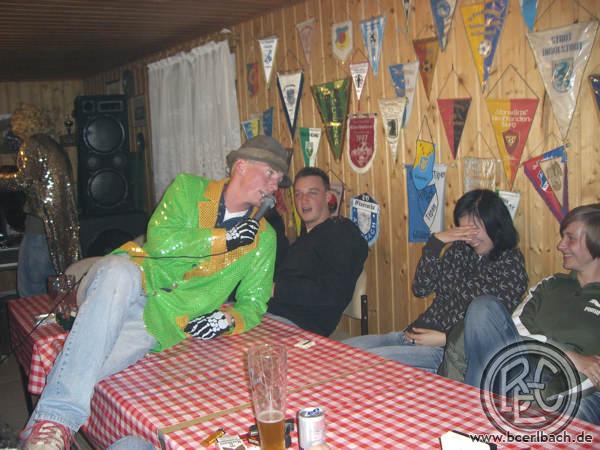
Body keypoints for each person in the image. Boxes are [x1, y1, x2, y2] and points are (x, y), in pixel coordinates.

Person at [20, 135, 291, 450]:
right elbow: (161, 241)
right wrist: (222, 239)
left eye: (278, 180)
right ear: (240, 166)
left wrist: (227, 320)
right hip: (128, 278)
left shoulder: (264, 239)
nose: (273, 185)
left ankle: (47, 431)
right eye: (269, 173)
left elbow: (254, 303)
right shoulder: (189, 189)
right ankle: (58, 418)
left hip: (158, 320)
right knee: (119, 273)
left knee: (85, 365)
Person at [344, 189, 528, 372]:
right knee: (342, 352)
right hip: (411, 336)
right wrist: (436, 242)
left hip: (446, 353)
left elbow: (490, 329)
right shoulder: (460, 250)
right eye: (464, 229)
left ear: (495, 224)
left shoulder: (510, 264)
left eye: (475, 229)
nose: (470, 238)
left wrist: (445, 339)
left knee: (365, 364)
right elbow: (421, 288)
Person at [455, 204, 600, 424]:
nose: (560, 245)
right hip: (522, 370)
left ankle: (474, 420)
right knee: (483, 307)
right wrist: (567, 355)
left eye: (570, 238)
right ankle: (474, 423)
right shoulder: (550, 285)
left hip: (577, 391)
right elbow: (516, 329)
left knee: (569, 416)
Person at [267, 167, 368, 337]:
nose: (303, 200)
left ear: (328, 197)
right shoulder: (306, 239)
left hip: (297, 327)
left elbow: (331, 293)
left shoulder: (341, 233)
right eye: (298, 194)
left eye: (312, 193)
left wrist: (276, 289)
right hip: (270, 316)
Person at [0, 104, 80, 297]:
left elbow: (22, 181)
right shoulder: (53, 145)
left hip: (39, 224)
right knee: (54, 286)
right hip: (58, 224)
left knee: (30, 288)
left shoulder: (31, 145)